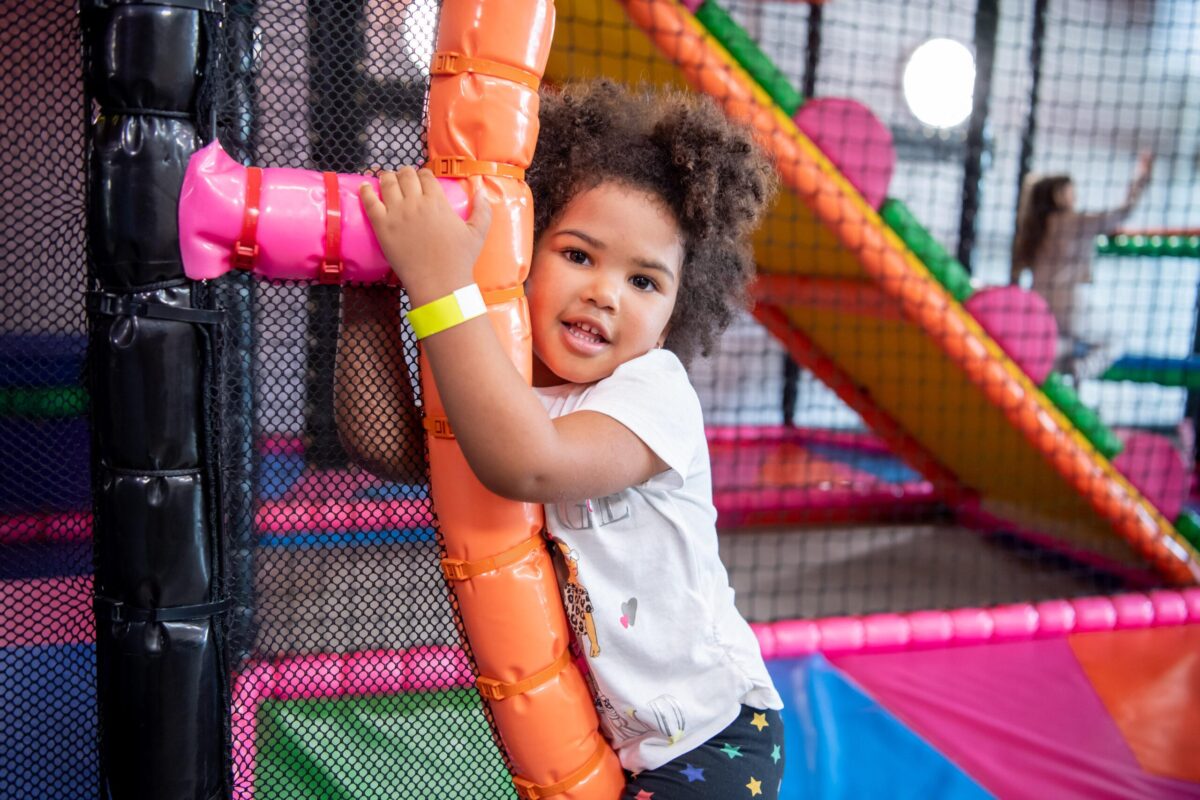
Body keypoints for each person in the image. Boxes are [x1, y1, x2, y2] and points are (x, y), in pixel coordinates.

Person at [340, 79, 785, 798]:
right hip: (622, 737)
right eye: (579, 256)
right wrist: (367, 291)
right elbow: (389, 448)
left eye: (644, 282)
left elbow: (529, 464)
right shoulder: (513, 395)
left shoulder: (653, 393)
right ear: (522, 252)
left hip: (716, 734)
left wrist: (439, 287)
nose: (606, 293)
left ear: (676, 311)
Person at [1010, 151, 1153, 380]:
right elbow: (1121, 212)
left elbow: (1018, 269)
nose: (1075, 195)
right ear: (1058, 195)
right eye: (1070, 190)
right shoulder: (1075, 222)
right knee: (1116, 340)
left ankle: (1064, 376)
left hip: (1040, 302)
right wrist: (1142, 178)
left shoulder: (1034, 228)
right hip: (1070, 302)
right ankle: (1081, 370)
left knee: (1057, 347)